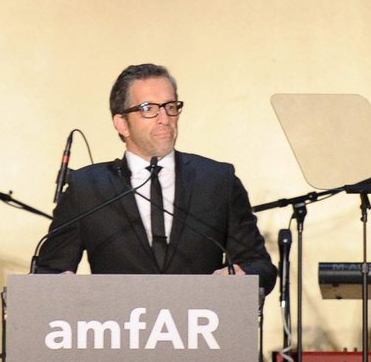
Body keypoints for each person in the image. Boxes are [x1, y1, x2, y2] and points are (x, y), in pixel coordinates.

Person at [32, 64, 276, 294]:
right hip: (115, 330)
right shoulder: (86, 188)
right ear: (122, 124)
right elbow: (50, 271)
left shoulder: (217, 180)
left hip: (202, 327)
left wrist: (241, 276)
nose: (165, 119)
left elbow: (260, 266)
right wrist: (62, 287)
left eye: (170, 106)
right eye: (148, 109)